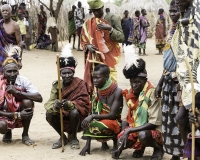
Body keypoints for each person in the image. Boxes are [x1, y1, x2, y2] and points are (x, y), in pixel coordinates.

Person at [112, 45, 163, 160]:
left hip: (153, 130)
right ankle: (140, 147)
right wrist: (120, 144)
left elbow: (153, 123)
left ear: (145, 80)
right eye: (132, 82)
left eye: (137, 82)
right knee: (122, 138)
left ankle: (159, 148)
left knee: (143, 135)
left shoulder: (153, 93)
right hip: (136, 128)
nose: (134, 85)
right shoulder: (128, 93)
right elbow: (125, 118)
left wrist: (130, 130)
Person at [44, 44, 90, 149]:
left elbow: (84, 102)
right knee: (49, 114)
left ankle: (74, 138)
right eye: (64, 73)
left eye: (69, 73)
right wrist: (55, 106)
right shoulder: (57, 85)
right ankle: (62, 137)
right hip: (60, 113)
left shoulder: (80, 83)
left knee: (74, 112)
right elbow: (49, 102)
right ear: (60, 74)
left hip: (76, 114)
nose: (67, 76)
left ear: (73, 72)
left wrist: (70, 104)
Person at [155, 1, 183, 159]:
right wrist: (160, 83)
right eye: (170, 11)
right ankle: (174, 154)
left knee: (179, 118)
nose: (172, 14)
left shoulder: (184, 30)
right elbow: (167, 64)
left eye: (176, 11)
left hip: (180, 82)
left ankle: (181, 152)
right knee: (168, 120)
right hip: (167, 82)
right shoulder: (171, 31)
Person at [171, 0, 200, 147]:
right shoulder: (184, 14)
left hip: (198, 72)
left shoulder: (198, 11)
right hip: (189, 77)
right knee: (182, 119)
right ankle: (189, 154)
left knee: (193, 119)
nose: (177, 2)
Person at [81, 0, 124, 94]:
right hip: (94, 60)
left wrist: (110, 29)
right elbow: (83, 40)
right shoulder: (88, 23)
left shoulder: (113, 18)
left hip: (109, 58)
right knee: (95, 83)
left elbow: (121, 38)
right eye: (93, 11)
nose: (96, 13)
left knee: (111, 83)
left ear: (102, 7)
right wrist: (88, 46)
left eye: (98, 10)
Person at [79, 64, 123, 156]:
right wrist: (88, 145)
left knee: (100, 126)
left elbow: (112, 115)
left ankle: (115, 142)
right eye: (93, 78)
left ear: (106, 77)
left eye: (97, 78)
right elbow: (94, 111)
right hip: (100, 119)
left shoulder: (117, 91)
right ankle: (102, 143)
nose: (94, 81)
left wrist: (92, 116)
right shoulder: (98, 91)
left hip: (114, 121)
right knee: (86, 123)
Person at [0, 57, 43, 145]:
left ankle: (25, 134)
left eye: (15, 71)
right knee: (2, 126)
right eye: (9, 71)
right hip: (3, 114)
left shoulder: (23, 80)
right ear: (3, 72)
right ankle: (8, 131)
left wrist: (17, 92)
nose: (12, 74)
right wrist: (17, 115)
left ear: (18, 71)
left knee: (27, 102)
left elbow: (39, 98)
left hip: (20, 110)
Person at [0, 4, 22, 74]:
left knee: (12, 77)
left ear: (10, 12)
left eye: (7, 10)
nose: (5, 12)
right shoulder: (0, 24)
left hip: (11, 57)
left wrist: (19, 60)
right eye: (3, 11)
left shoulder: (15, 25)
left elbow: (20, 43)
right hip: (1, 56)